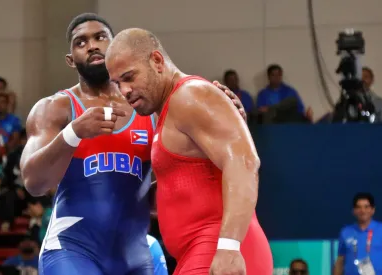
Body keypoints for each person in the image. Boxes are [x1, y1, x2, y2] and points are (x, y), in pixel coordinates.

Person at [20, 13, 246, 275]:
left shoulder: (150, 109)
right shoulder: (54, 109)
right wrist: (73, 133)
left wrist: (229, 122)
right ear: (71, 60)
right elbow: (34, 183)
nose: (92, 45)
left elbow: (167, 190)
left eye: (100, 37)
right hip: (72, 251)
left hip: (134, 255)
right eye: (81, 42)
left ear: (116, 46)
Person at [105, 28, 273, 275]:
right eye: (117, 83)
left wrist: (228, 247)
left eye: (129, 77)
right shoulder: (169, 110)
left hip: (217, 248)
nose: (125, 91)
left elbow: (244, 162)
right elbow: (187, 186)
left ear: (157, 61)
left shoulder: (191, 95)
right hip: (200, 251)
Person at [334, 193, 382, 275]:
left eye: (366, 207)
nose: (362, 211)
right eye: (358, 207)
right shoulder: (345, 232)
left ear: (373, 210)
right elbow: (340, 261)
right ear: (353, 211)